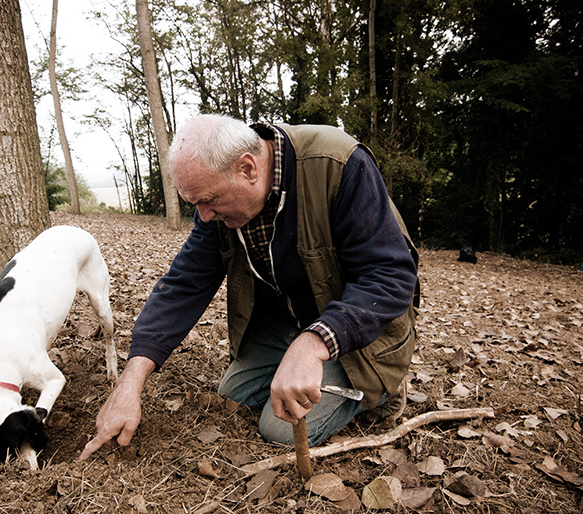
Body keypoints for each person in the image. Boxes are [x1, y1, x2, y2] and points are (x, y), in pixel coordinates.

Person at [80, 114, 418, 459]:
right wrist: (131, 381)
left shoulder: (338, 165)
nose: (205, 216)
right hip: (290, 319)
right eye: (196, 204)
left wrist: (314, 344)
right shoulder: (219, 200)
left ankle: (383, 389)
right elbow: (184, 284)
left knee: (280, 428)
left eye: (208, 201)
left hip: (361, 329)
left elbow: (390, 275)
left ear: (247, 168)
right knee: (234, 394)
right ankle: (300, 360)